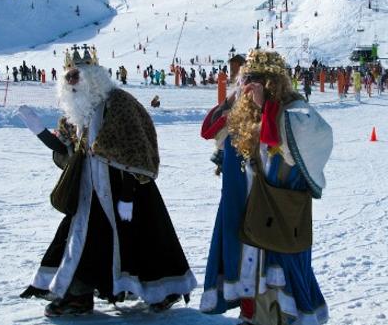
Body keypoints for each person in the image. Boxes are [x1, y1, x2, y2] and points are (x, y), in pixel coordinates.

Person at [17, 46, 196, 317]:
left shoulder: (119, 103)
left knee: (143, 238)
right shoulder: (74, 114)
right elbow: (70, 155)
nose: (72, 80)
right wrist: (41, 133)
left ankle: (162, 291)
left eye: (78, 74)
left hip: (128, 188)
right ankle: (77, 295)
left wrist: (127, 194)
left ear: (94, 74)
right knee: (81, 239)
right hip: (90, 191)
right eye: (69, 76)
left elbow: (137, 148)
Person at [199, 50, 332, 325]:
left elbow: (292, 140)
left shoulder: (296, 113)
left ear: (274, 83)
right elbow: (209, 130)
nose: (250, 87)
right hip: (243, 210)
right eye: (246, 80)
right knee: (245, 271)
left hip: (278, 212)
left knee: (277, 277)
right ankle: (249, 317)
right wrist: (232, 98)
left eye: (257, 81)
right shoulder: (240, 115)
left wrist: (266, 106)